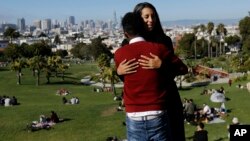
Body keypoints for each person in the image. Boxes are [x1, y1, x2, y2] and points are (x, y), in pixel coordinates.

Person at [117, 2, 188, 141]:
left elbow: (177, 70)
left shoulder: (164, 41)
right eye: (146, 16)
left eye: (153, 16)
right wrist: (119, 72)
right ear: (138, 19)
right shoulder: (126, 45)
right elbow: (128, 78)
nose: (151, 20)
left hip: (168, 99)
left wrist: (162, 65)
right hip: (143, 107)